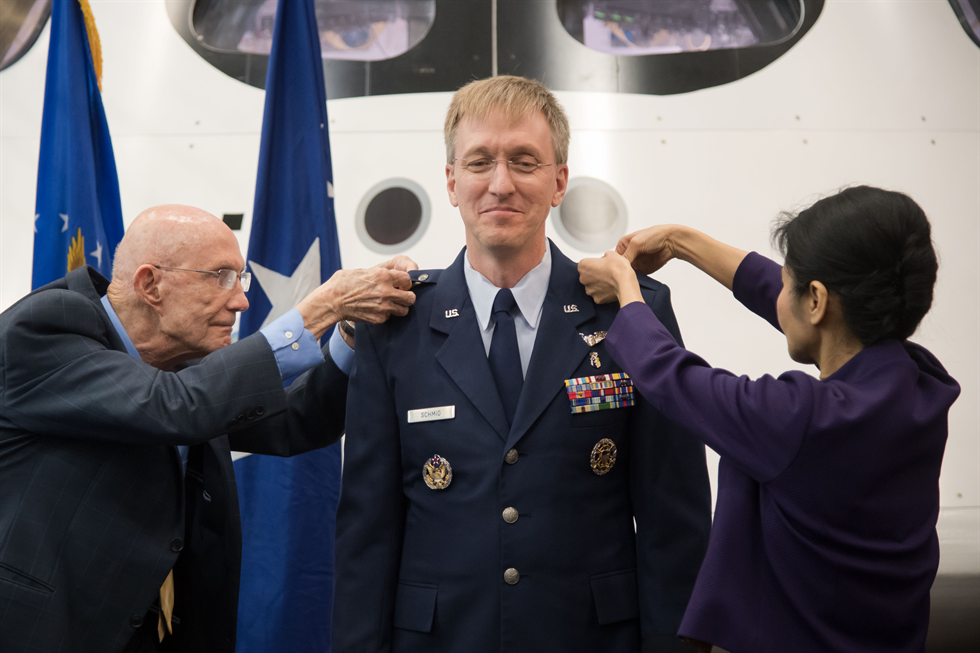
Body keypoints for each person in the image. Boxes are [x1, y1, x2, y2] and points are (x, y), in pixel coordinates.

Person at [333, 75, 711, 653]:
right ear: (452, 182)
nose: (500, 184)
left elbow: (673, 523)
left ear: (559, 181)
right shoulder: (398, 323)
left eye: (524, 161)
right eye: (480, 162)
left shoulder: (630, 311)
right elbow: (368, 530)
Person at [0, 205, 417, 653]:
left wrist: (351, 329)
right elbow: (176, 406)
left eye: (241, 278)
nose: (241, 300)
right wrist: (323, 307)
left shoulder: (187, 369)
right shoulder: (45, 328)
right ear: (150, 284)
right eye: (221, 277)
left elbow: (295, 423)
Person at [577, 185, 961, 653]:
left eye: (788, 282)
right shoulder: (919, 383)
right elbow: (791, 298)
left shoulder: (797, 420)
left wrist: (625, 289)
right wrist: (681, 242)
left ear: (817, 300)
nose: (777, 292)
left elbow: (671, 376)